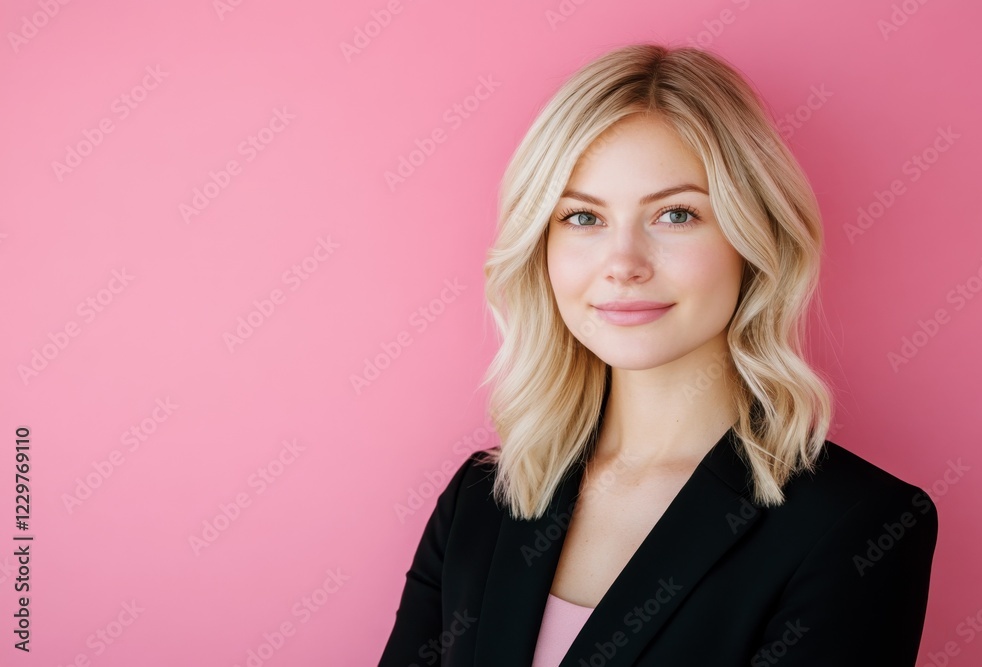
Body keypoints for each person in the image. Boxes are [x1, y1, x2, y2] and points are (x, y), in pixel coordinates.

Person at [377, 42, 938, 667]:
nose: (623, 265)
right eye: (582, 218)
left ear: (754, 238)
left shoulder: (860, 525)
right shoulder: (483, 499)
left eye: (675, 214)